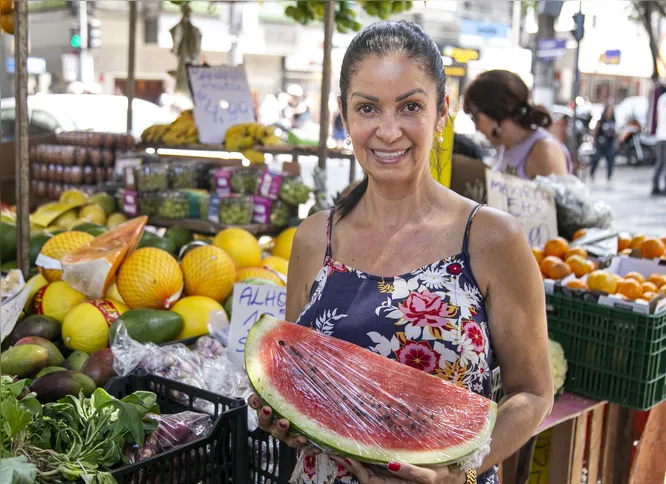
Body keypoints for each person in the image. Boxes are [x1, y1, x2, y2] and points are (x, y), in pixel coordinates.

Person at [249, 21, 553, 484]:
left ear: (442, 111)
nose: (388, 132)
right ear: (344, 115)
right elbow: (302, 370)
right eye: (367, 108)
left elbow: (532, 393)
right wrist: (287, 416)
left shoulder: (491, 239)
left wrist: (461, 475)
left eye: (410, 106)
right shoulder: (314, 238)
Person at [463, 70, 572, 180]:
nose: (477, 128)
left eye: (474, 117)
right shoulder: (506, 146)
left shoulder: (545, 151)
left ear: (495, 111)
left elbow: (560, 196)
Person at [589, 105, 617, 182]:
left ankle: (609, 175)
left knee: (610, 158)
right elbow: (596, 130)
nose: (610, 112)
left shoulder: (613, 120)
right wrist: (594, 140)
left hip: (610, 142)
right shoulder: (602, 120)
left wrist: (616, 141)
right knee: (596, 158)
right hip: (601, 142)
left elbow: (615, 131)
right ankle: (592, 172)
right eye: (609, 110)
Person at [653, 91, 666, 195]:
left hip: (660, 135)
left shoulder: (661, 98)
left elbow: (656, 117)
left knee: (660, 162)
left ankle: (655, 185)